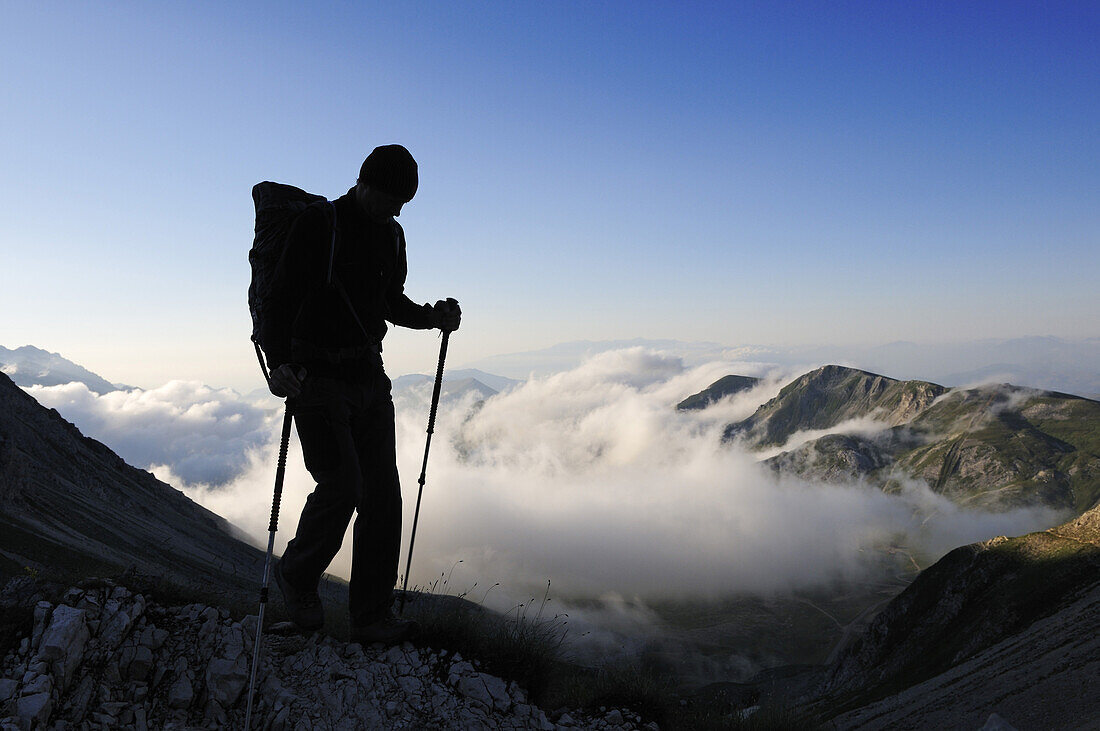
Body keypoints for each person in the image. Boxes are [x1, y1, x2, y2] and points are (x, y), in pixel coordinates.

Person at [259, 144, 460, 644]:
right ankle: (298, 577)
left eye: (403, 203)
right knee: (343, 485)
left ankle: (371, 616)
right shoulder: (319, 226)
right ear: (364, 182)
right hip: (316, 378)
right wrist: (279, 365)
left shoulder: (392, 235)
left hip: (370, 376)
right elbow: (278, 299)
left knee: (382, 496)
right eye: (391, 197)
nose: (396, 209)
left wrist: (430, 316)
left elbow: (388, 302)